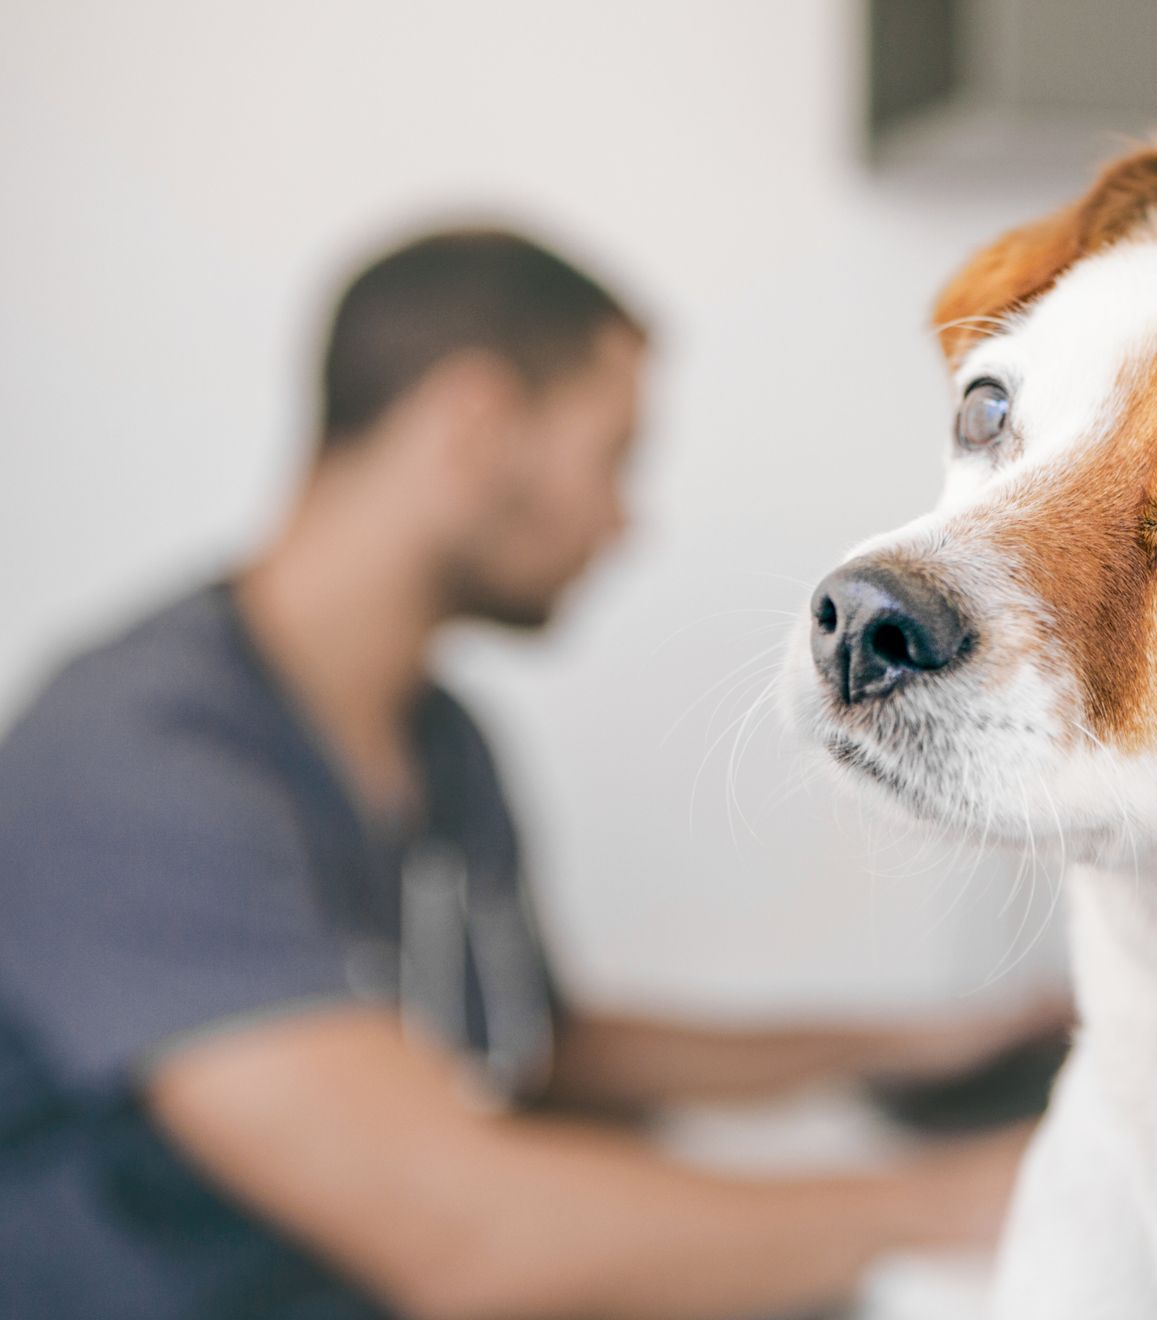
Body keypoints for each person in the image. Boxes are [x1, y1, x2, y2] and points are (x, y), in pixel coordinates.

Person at [0, 229, 1055, 1319]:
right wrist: (989, 1193)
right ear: (476, 428)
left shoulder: (441, 742)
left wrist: (916, 1045)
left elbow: (536, 1049)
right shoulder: (132, 758)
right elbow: (463, 1234)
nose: (622, 519)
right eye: (612, 455)